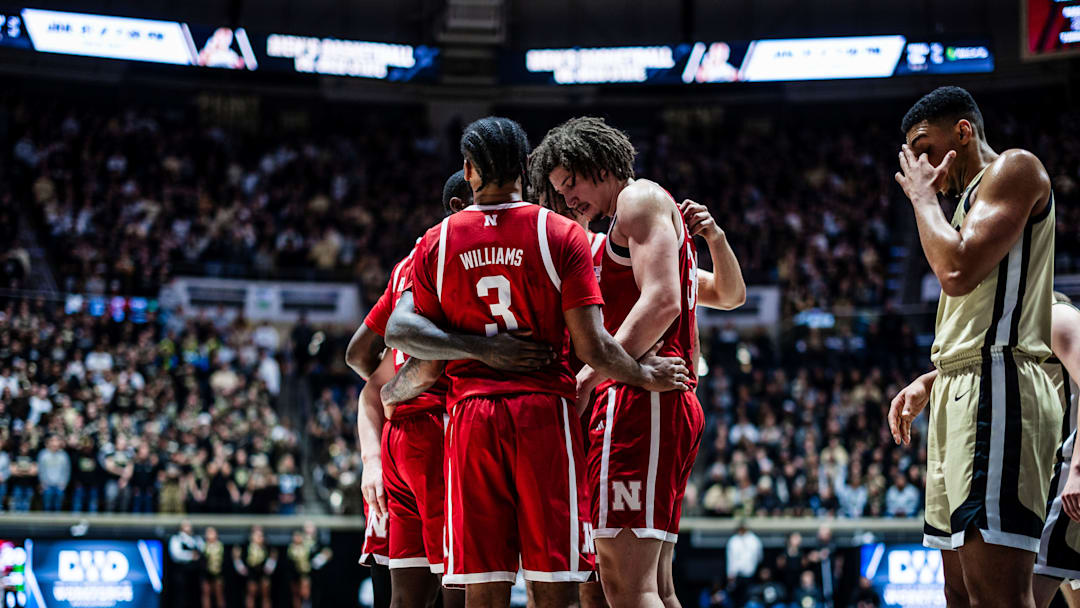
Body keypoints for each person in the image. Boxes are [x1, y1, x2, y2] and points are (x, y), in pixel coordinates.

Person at [383, 116, 689, 608]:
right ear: (526, 169)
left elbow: (401, 332)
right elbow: (592, 346)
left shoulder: (437, 242)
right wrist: (640, 371)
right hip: (546, 416)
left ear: (469, 169)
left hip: (471, 420)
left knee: (482, 585)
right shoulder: (561, 233)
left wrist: (469, 354)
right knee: (559, 585)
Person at [530, 116, 744, 608]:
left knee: (627, 588)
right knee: (655, 587)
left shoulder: (637, 199)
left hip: (641, 398)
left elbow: (665, 300)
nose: (567, 200)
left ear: (598, 165)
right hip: (659, 401)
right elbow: (721, 295)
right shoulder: (629, 233)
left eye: (571, 185)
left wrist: (588, 376)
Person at [889, 86, 1060, 607]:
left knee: (999, 594)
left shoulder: (1014, 169)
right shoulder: (962, 204)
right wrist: (931, 379)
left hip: (1000, 387)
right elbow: (975, 311)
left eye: (924, 146)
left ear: (963, 132)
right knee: (958, 591)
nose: (918, 164)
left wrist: (920, 198)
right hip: (960, 387)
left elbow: (956, 272)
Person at [233, 525, 277, 608]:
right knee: (251, 593)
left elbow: (273, 554)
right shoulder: (246, 545)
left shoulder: (267, 544)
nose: (258, 537)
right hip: (251, 572)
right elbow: (236, 554)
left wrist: (270, 565)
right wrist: (240, 566)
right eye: (256, 534)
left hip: (263, 571)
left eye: (260, 535)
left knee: (265, 594)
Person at [725, 520, 762, 605]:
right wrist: (730, 574)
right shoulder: (733, 540)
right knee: (736, 599)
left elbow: (759, 557)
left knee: (750, 598)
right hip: (737, 575)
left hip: (751, 575)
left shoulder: (754, 540)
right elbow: (731, 559)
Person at [169, 520, 203, 608]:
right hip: (181, 572)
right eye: (186, 526)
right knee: (181, 596)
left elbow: (202, 549)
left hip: (195, 573)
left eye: (189, 526)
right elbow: (176, 555)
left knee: (195, 595)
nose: (188, 528)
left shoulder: (196, 538)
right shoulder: (176, 538)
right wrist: (191, 555)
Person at [37, 435, 69, 512]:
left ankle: (58, 523)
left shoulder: (63, 455)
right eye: (52, 441)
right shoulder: (43, 454)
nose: (55, 443)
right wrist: (42, 483)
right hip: (47, 485)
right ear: (49, 442)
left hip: (59, 485)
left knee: (58, 506)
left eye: (57, 441)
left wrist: (64, 483)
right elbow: (41, 470)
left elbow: (66, 470)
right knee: (47, 506)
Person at [201, 526, 226, 608]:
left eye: (212, 533)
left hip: (218, 573)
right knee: (206, 593)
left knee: (219, 594)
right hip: (206, 573)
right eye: (208, 533)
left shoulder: (220, 546)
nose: (210, 535)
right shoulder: (203, 545)